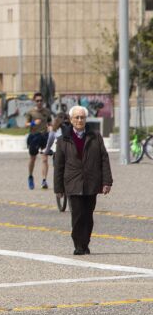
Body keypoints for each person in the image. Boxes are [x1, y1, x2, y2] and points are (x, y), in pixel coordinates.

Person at [53, 106, 113, 255]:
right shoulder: (63, 140)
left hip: (91, 182)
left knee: (88, 216)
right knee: (77, 215)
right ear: (71, 119)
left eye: (82, 117)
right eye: (77, 117)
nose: (79, 120)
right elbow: (58, 166)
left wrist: (107, 182)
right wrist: (58, 188)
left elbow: (104, 159)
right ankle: (78, 244)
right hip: (73, 183)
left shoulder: (95, 137)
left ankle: (85, 243)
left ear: (86, 119)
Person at [24, 92, 53, 189]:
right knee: (33, 158)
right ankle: (30, 176)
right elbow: (25, 124)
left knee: (45, 158)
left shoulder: (47, 111)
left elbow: (49, 122)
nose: (39, 102)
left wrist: (50, 127)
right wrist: (33, 123)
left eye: (41, 100)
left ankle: (44, 180)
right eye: (37, 101)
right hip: (34, 137)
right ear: (34, 101)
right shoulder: (31, 112)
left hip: (45, 136)